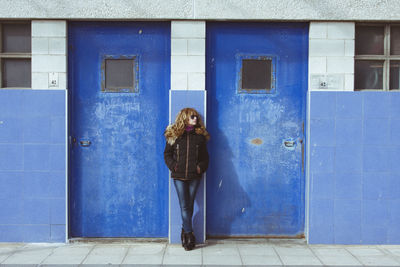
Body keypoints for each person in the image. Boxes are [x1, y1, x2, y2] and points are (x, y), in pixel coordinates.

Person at [164, 107, 210, 251]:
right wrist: (174, 166)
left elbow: (205, 158)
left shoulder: (199, 137)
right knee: (184, 206)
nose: (195, 118)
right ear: (185, 118)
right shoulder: (174, 135)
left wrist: (199, 168)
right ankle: (189, 235)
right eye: (192, 116)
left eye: (196, 116)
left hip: (194, 175)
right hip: (179, 176)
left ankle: (184, 230)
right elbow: (167, 154)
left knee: (189, 205)